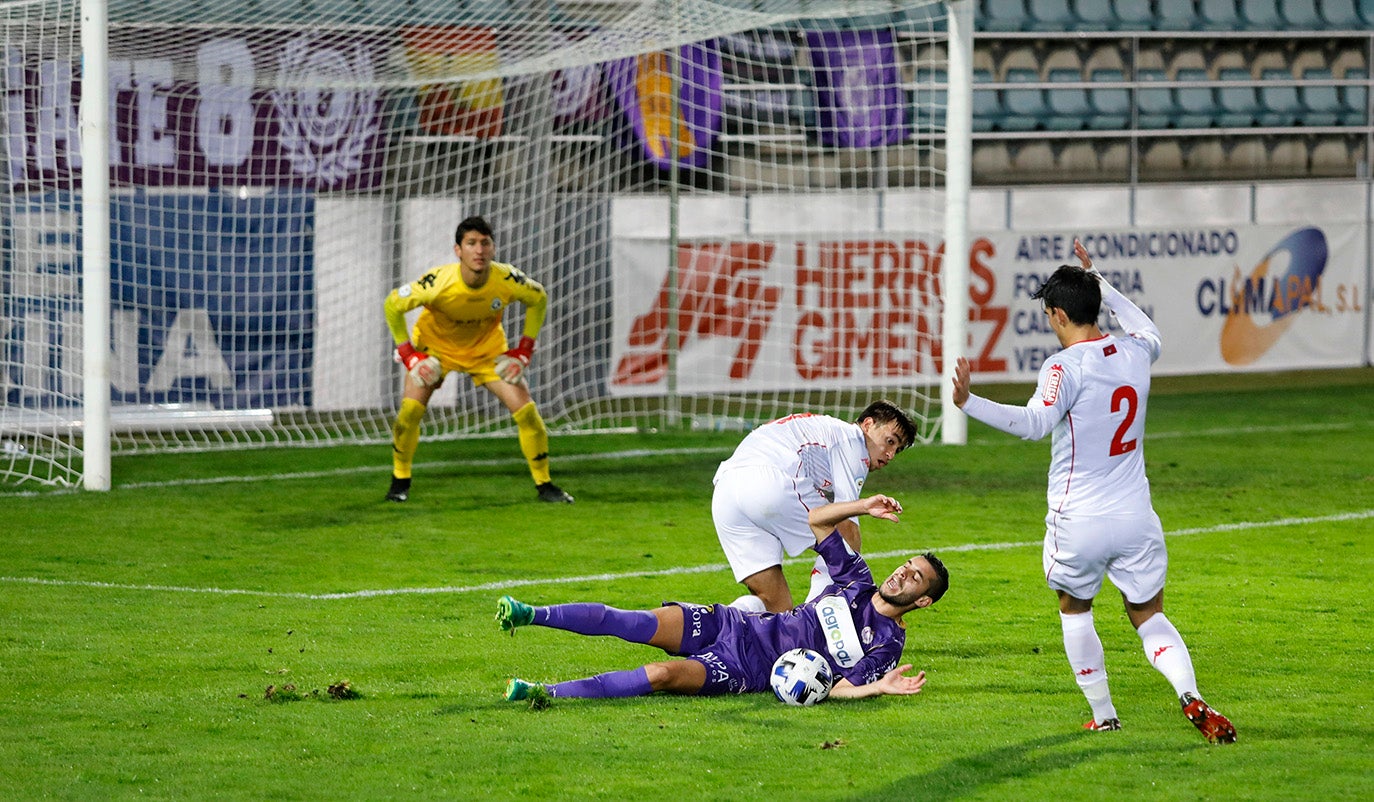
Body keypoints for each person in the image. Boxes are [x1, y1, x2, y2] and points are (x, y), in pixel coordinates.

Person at [951, 238, 1236, 744]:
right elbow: (1144, 325)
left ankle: (1104, 715)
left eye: (1048, 314)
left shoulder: (1064, 367)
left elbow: (1035, 423)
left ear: (1058, 314)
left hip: (1078, 518)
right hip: (1135, 517)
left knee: (1074, 608)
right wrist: (1098, 277)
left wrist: (970, 402)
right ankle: (1191, 695)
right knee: (1148, 614)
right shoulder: (1137, 350)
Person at [497, 494, 949, 704]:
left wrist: (879, 687)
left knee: (661, 674)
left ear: (922, 601)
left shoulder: (887, 645)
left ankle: (540, 692)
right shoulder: (857, 580)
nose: (902, 573)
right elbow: (817, 521)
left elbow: (844, 686)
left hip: (748, 667)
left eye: (915, 578)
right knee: (632, 622)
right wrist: (861, 506)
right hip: (738, 626)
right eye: (906, 566)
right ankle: (529, 613)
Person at [382, 215, 573, 504]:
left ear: (493, 248)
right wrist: (409, 355)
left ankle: (545, 485)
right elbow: (393, 304)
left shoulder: (506, 278)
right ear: (458, 250)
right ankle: (400, 481)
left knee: (528, 416)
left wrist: (523, 351)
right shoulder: (438, 282)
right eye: (471, 243)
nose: (479, 250)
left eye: (485, 243)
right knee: (408, 414)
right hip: (436, 351)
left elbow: (539, 298)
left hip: (486, 353)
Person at [711, 401, 917, 613]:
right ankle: (817, 618)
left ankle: (712, 629)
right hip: (768, 481)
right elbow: (847, 527)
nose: (890, 454)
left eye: (897, 450)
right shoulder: (852, 439)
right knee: (843, 540)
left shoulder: (824, 433)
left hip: (725, 493)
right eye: (890, 441)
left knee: (775, 607)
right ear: (868, 424)